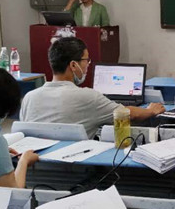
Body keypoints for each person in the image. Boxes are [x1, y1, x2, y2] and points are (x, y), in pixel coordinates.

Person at [20, 37, 164, 138]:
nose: (88, 65)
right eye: (86, 60)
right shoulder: (87, 97)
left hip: (37, 168)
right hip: (77, 169)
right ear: (73, 65)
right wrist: (150, 110)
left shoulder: (29, 98)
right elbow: (128, 114)